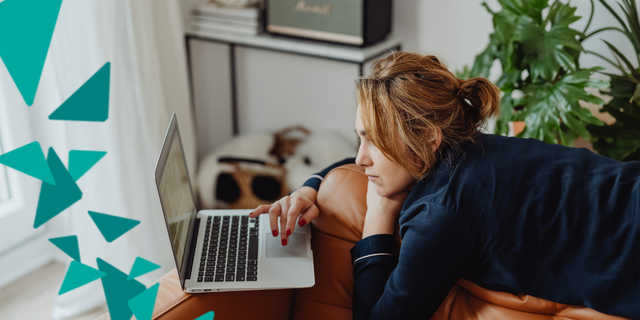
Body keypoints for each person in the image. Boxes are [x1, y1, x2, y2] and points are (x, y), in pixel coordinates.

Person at [249, 52, 640, 319]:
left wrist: (380, 214)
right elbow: (351, 164)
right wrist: (308, 188)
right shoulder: (468, 147)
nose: (360, 158)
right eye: (359, 137)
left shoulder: (442, 213)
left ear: (428, 138)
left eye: (375, 141)